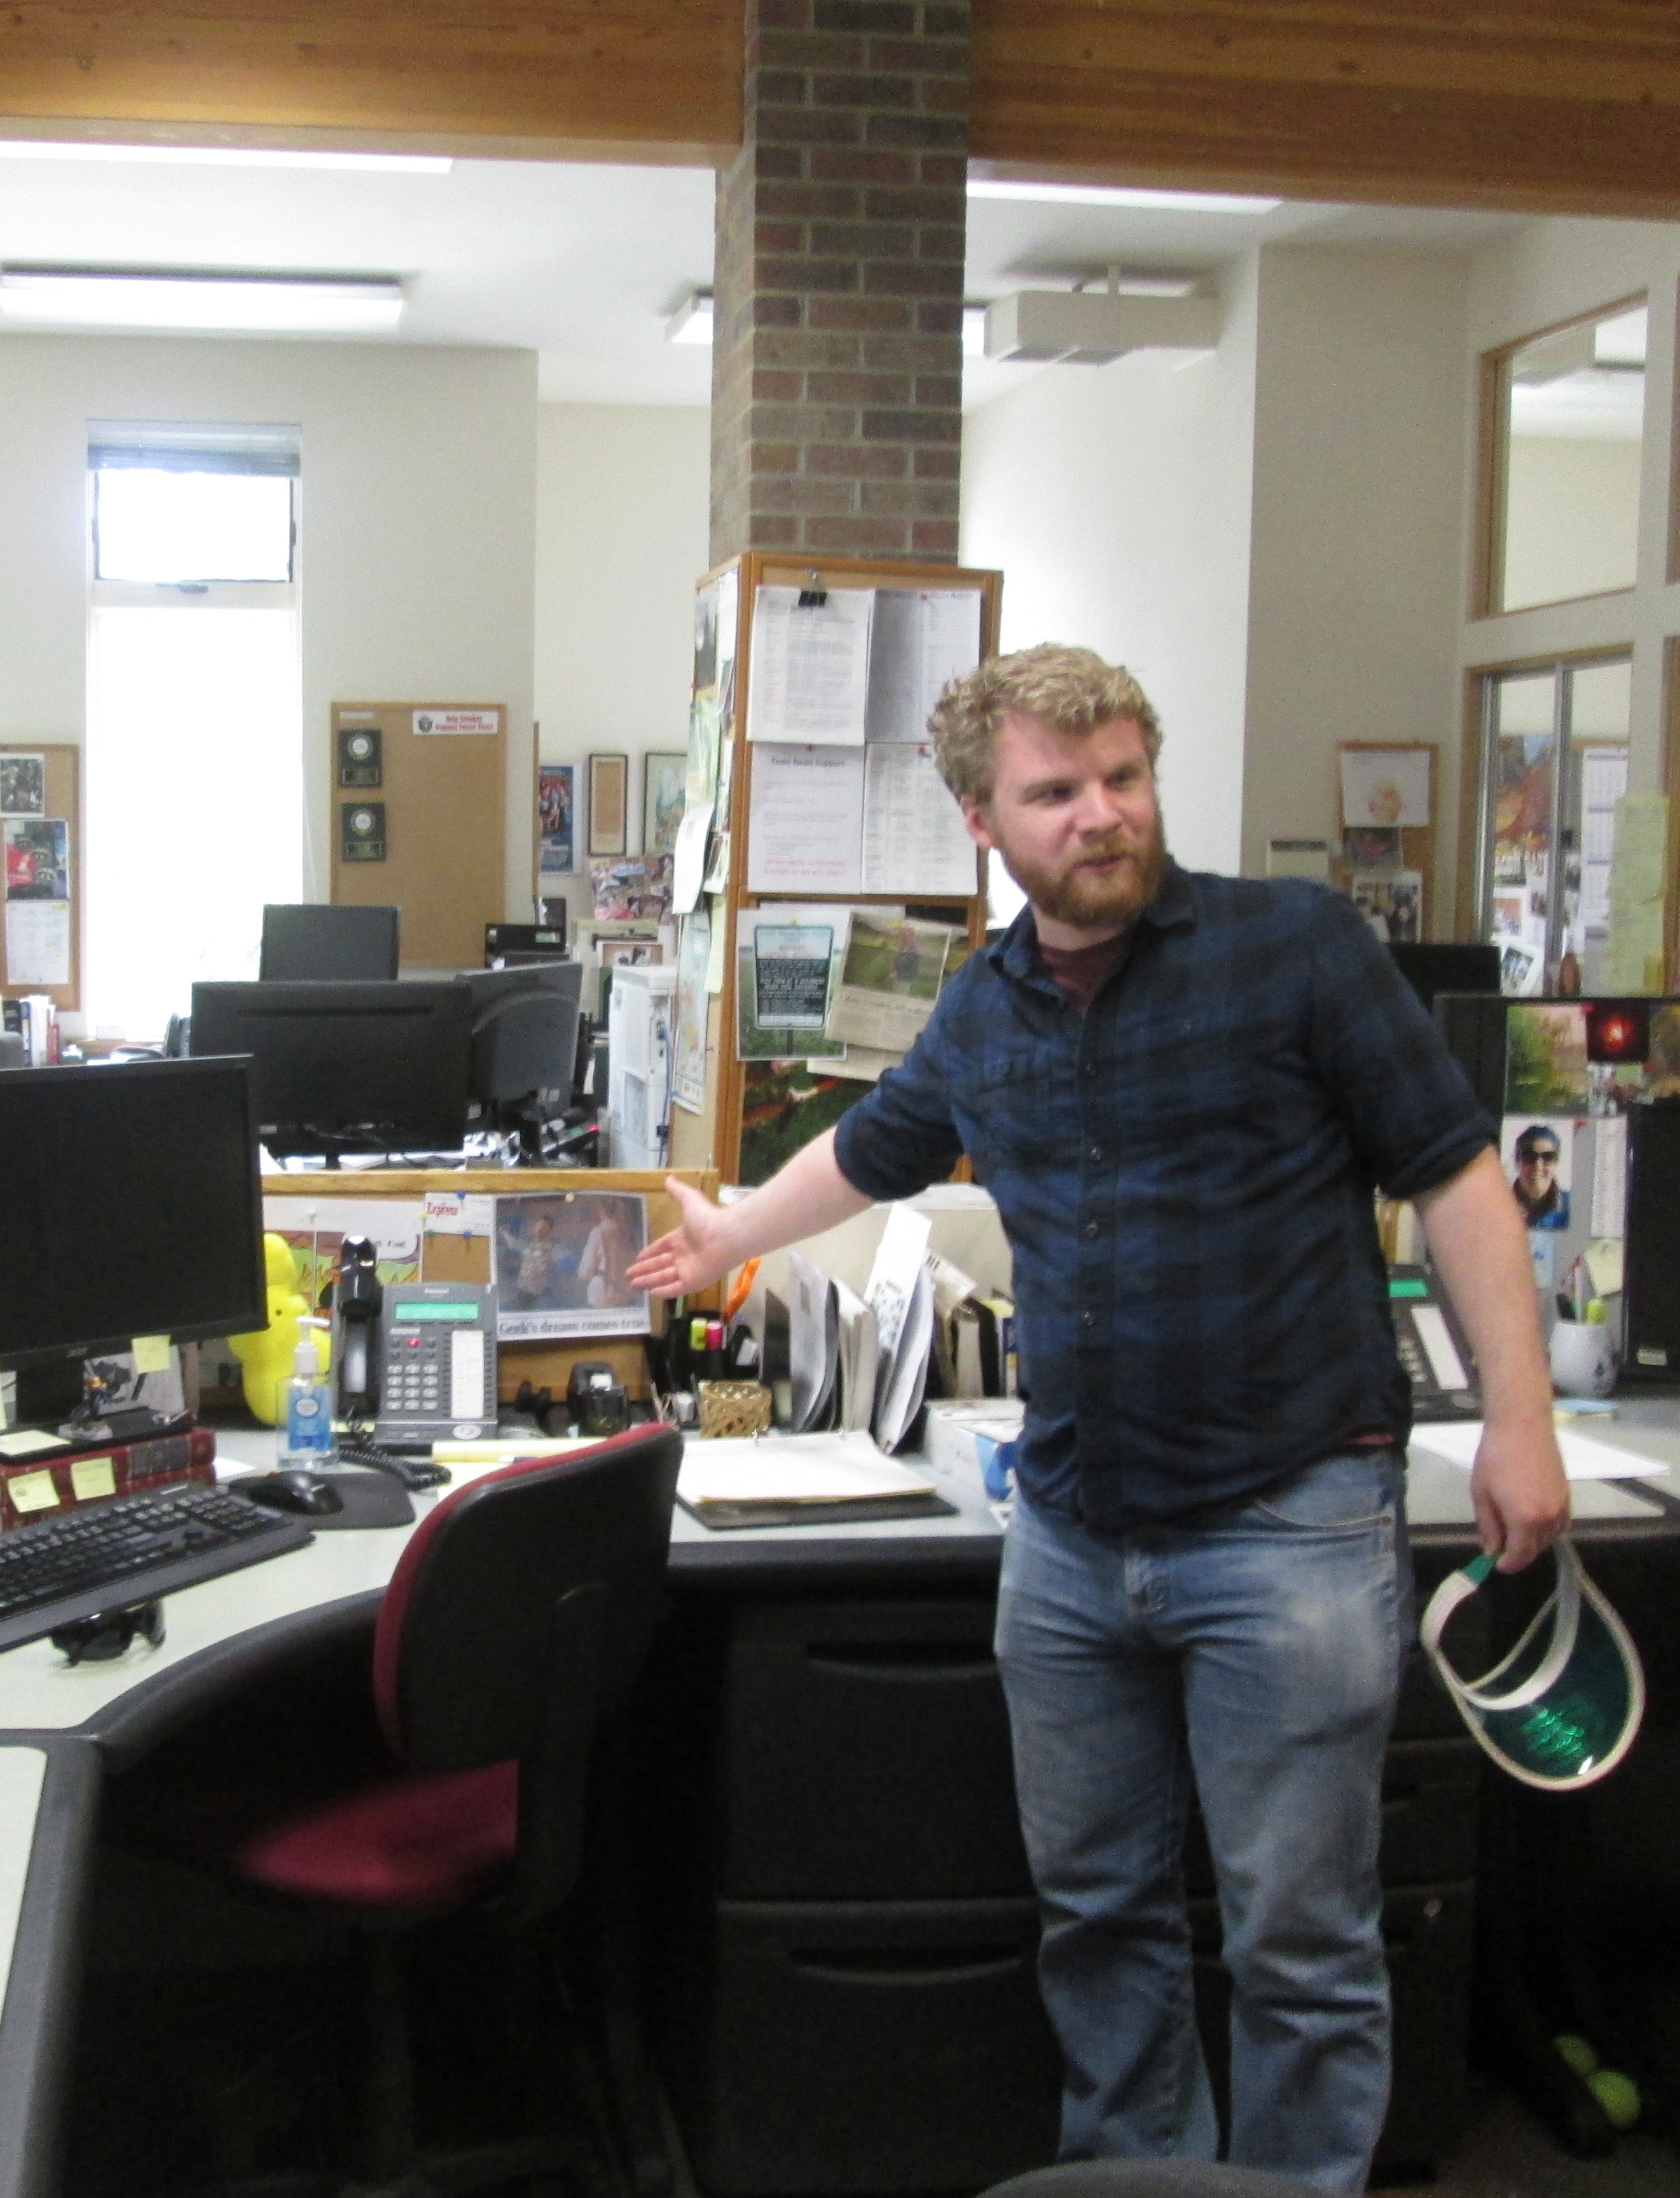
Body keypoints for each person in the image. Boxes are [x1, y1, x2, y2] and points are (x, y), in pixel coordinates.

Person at [628, 644, 1567, 2194]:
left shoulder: (1296, 948)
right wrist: (734, 1229)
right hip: (1069, 1534)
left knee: (1299, 1942)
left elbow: (1458, 1173)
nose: (1102, 813)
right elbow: (876, 1145)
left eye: (1123, 777)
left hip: (1289, 1519)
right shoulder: (985, 1005)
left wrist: (1519, 1421)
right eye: (1057, 791)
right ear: (983, 822)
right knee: (1100, 1921)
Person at [1509, 1124, 1571, 1229]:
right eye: (1529, 1156)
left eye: (1548, 1157)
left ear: (1556, 1163)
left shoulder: (1572, 1206)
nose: (1538, 1166)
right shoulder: (1498, 1205)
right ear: (1517, 1161)